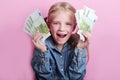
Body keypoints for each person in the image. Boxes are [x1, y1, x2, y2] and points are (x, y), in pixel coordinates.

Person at [31, 2, 90, 80]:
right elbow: (43, 78)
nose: (62, 28)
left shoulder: (79, 45)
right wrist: (43, 52)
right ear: (48, 26)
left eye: (68, 24)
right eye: (56, 23)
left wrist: (79, 49)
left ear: (74, 27)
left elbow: (76, 78)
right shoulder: (42, 46)